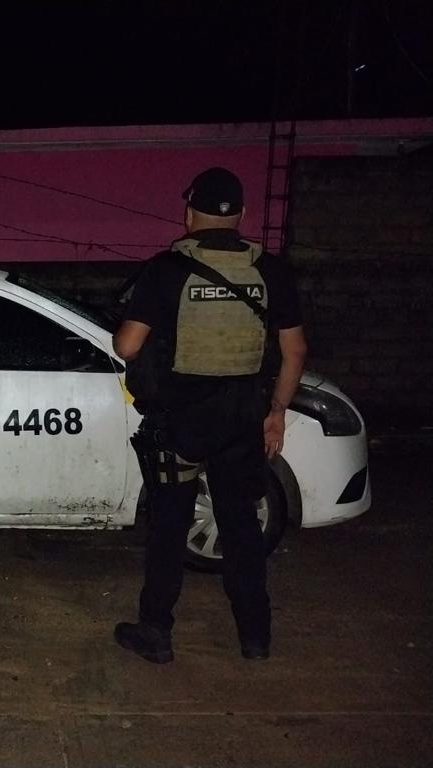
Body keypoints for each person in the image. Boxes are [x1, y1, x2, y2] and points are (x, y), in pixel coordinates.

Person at [113, 167, 307, 663]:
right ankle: (255, 637)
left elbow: (128, 346)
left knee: (169, 527)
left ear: (188, 213)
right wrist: (277, 413)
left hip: (180, 420)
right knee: (241, 527)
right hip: (242, 419)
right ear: (242, 214)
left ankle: (156, 631)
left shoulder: (166, 270)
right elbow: (295, 352)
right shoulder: (271, 271)